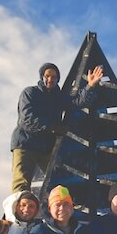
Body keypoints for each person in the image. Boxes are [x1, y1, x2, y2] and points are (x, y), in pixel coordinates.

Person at [10, 62, 105, 193]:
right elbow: (27, 120)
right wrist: (52, 127)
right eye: (47, 76)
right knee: (21, 184)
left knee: (57, 183)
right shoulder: (30, 92)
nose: (50, 79)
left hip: (46, 147)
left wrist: (90, 85)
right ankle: (16, 212)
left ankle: (56, 210)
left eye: (54, 77)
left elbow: (77, 102)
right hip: (25, 143)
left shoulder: (58, 97)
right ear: (42, 76)